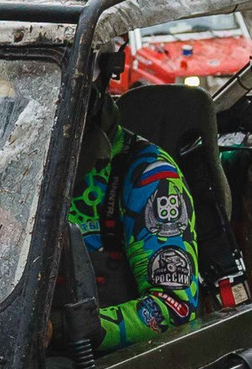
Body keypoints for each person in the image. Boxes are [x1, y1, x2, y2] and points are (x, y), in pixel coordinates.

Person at [68, 96, 206, 352]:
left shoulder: (151, 176)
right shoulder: (22, 165)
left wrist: (64, 328)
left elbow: (174, 307)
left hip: (114, 361)